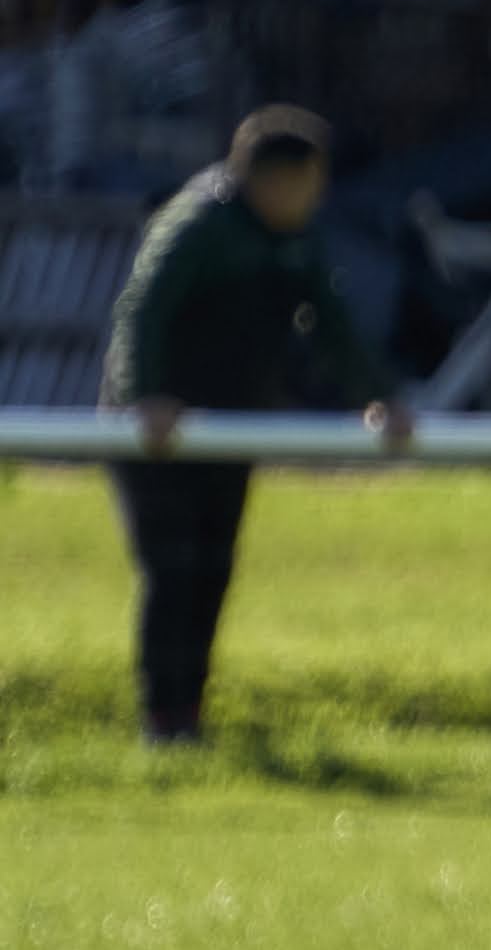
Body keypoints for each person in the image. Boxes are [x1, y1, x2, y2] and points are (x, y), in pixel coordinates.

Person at [102, 105, 413, 744]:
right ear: (273, 180)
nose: (317, 195)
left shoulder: (296, 238)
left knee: (213, 569)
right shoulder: (199, 223)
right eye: (310, 182)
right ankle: (162, 723)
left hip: (229, 430)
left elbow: (330, 324)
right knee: (173, 570)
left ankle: (189, 719)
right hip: (158, 436)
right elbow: (142, 309)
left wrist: (379, 398)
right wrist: (145, 400)